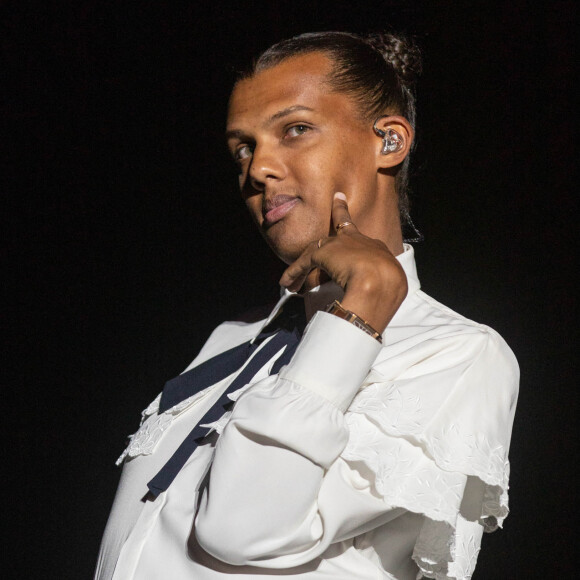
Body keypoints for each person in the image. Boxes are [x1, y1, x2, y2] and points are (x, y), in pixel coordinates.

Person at [95, 31, 519, 580]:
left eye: (294, 129)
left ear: (388, 141)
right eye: (243, 148)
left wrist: (366, 298)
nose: (257, 169)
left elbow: (242, 530)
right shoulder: (234, 338)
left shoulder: (458, 353)